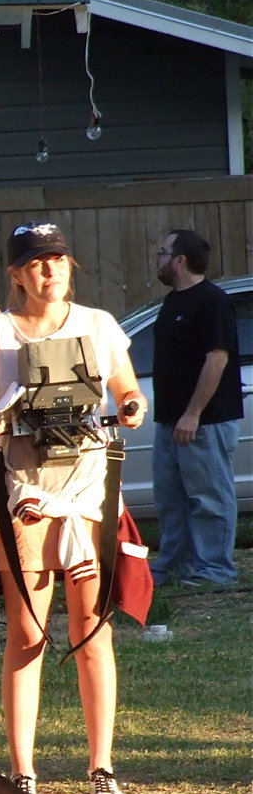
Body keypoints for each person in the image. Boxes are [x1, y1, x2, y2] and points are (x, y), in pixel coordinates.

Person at [0, 221, 147, 794]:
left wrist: (133, 406)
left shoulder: (98, 325)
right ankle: (23, 775)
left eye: (59, 259)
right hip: (26, 488)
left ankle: (102, 769)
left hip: (89, 488)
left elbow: (125, 390)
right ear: (16, 274)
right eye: (37, 262)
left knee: (92, 629)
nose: (51, 270)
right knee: (27, 632)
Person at [149, 229, 242, 588]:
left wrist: (193, 413)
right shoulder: (173, 302)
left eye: (162, 253)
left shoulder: (211, 301)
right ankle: (176, 565)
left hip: (204, 421)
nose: (158, 259)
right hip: (170, 420)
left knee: (209, 498)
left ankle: (215, 570)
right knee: (171, 498)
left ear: (180, 260)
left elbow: (217, 360)